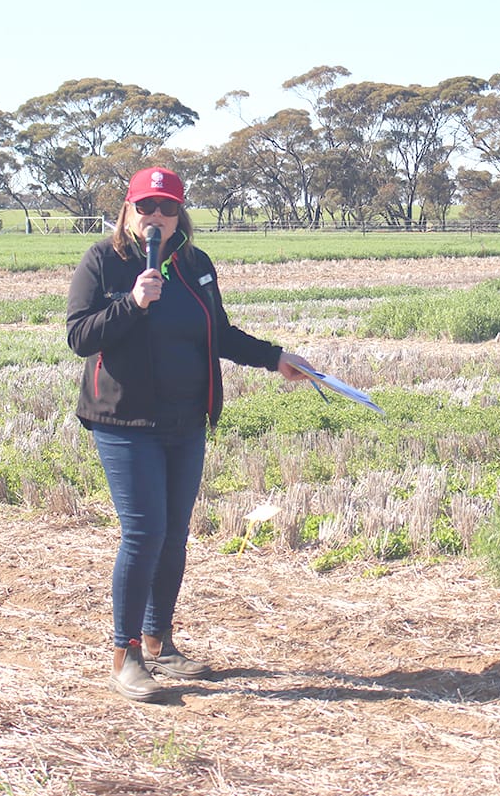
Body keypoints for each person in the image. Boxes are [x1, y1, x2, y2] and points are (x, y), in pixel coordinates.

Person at [66, 165, 313, 702]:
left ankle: (160, 641)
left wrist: (275, 358)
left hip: (185, 420)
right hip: (124, 421)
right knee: (144, 533)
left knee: (175, 534)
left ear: (181, 215)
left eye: (168, 208)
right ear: (128, 210)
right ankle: (126, 653)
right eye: (146, 207)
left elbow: (217, 333)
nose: (156, 216)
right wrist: (132, 302)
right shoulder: (104, 260)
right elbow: (80, 337)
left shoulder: (196, 264)